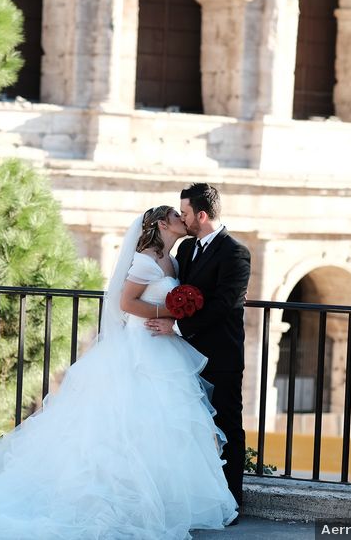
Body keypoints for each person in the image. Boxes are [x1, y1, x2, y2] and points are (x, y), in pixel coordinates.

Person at [0, 205, 238, 540]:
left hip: (162, 349)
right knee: (117, 426)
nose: (180, 217)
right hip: (139, 347)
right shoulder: (143, 261)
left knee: (159, 426)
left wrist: (173, 317)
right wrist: (163, 314)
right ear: (159, 225)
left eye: (181, 213)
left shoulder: (173, 260)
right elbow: (125, 303)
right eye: (175, 214)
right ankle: (114, 497)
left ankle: (163, 497)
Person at [147, 183, 251, 512]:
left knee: (227, 428)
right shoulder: (186, 250)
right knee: (189, 429)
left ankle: (232, 504)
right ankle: (197, 501)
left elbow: (223, 305)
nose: (182, 217)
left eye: (186, 213)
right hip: (183, 357)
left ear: (201, 215)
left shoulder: (236, 253)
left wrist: (176, 325)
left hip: (220, 356)